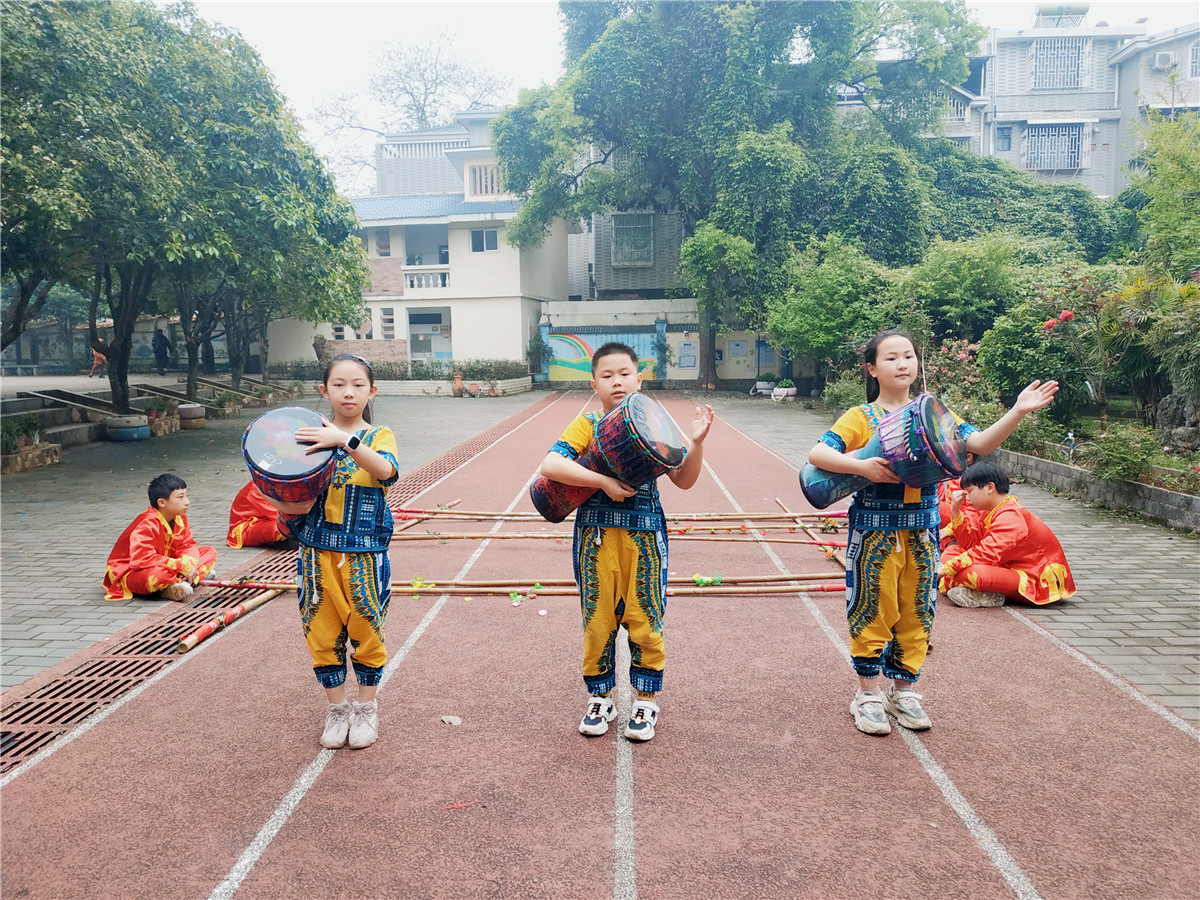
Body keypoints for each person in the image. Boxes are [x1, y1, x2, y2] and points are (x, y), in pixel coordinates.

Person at [806, 329, 1057, 736]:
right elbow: (818, 454)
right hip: (874, 530)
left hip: (922, 531)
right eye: (891, 357)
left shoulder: (936, 413)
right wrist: (862, 467)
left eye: (908, 355)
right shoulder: (860, 417)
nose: (902, 363)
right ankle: (867, 695)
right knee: (872, 607)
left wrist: (1018, 411)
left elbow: (976, 442)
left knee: (918, 611)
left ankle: (903, 691)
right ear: (872, 368)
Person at [538, 342, 714, 742]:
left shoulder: (656, 426)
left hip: (645, 536)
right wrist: (602, 481)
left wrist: (697, 442)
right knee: (597, 624)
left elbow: (684, 480)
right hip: (595, 536)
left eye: (624, 374)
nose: (616, 382)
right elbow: (551, 464)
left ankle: (645, 701)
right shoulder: (587, 424)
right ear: (594, 383)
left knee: (646, 621)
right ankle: (600, 699)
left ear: (639, 378)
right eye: (606, 375)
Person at [270, 353, 399, 751]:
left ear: (371, 391)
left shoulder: (379, 437)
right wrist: (276, 493)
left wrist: (343, 440)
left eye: (358, 385)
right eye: (339, 384)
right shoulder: (306, 439)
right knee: (321, 634)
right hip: (315, 555)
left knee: (366, 630)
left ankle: (366, 707)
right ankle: (337, 708)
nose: (349, 392)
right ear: (323, 390)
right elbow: (293, 504)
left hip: (363, 556)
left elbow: (386, 471)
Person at [939, 461, 1076, 607]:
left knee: (973, 573)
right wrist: (955, 512)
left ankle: (979, 589)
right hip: (1005, 566)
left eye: (970, 491)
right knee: (953, 551)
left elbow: (984, 554)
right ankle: (979, 591)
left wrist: (944, 571)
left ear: (990, 488)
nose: (966, 497)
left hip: (1034, 577)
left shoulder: (1010, 516)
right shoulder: (989, 510)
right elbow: (969, 544)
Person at [103, 474, 217, 602]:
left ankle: (177, 583)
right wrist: (180, 566)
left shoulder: (178, 516)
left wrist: (187, 564)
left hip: (166, 562)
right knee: (157, 575)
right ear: (162, 502)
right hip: (131, 570)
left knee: (209, 552)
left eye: (186, 495)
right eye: (181, 497)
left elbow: (187, 544)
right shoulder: (147, 524)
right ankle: (182, 582)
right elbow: (141, 559)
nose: (187, 502)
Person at [226, 480, 298, 550]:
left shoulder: (277, 483)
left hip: (266, 519)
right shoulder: (258, 488)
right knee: (281, 527)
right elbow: (275, 514)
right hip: (246, 527)